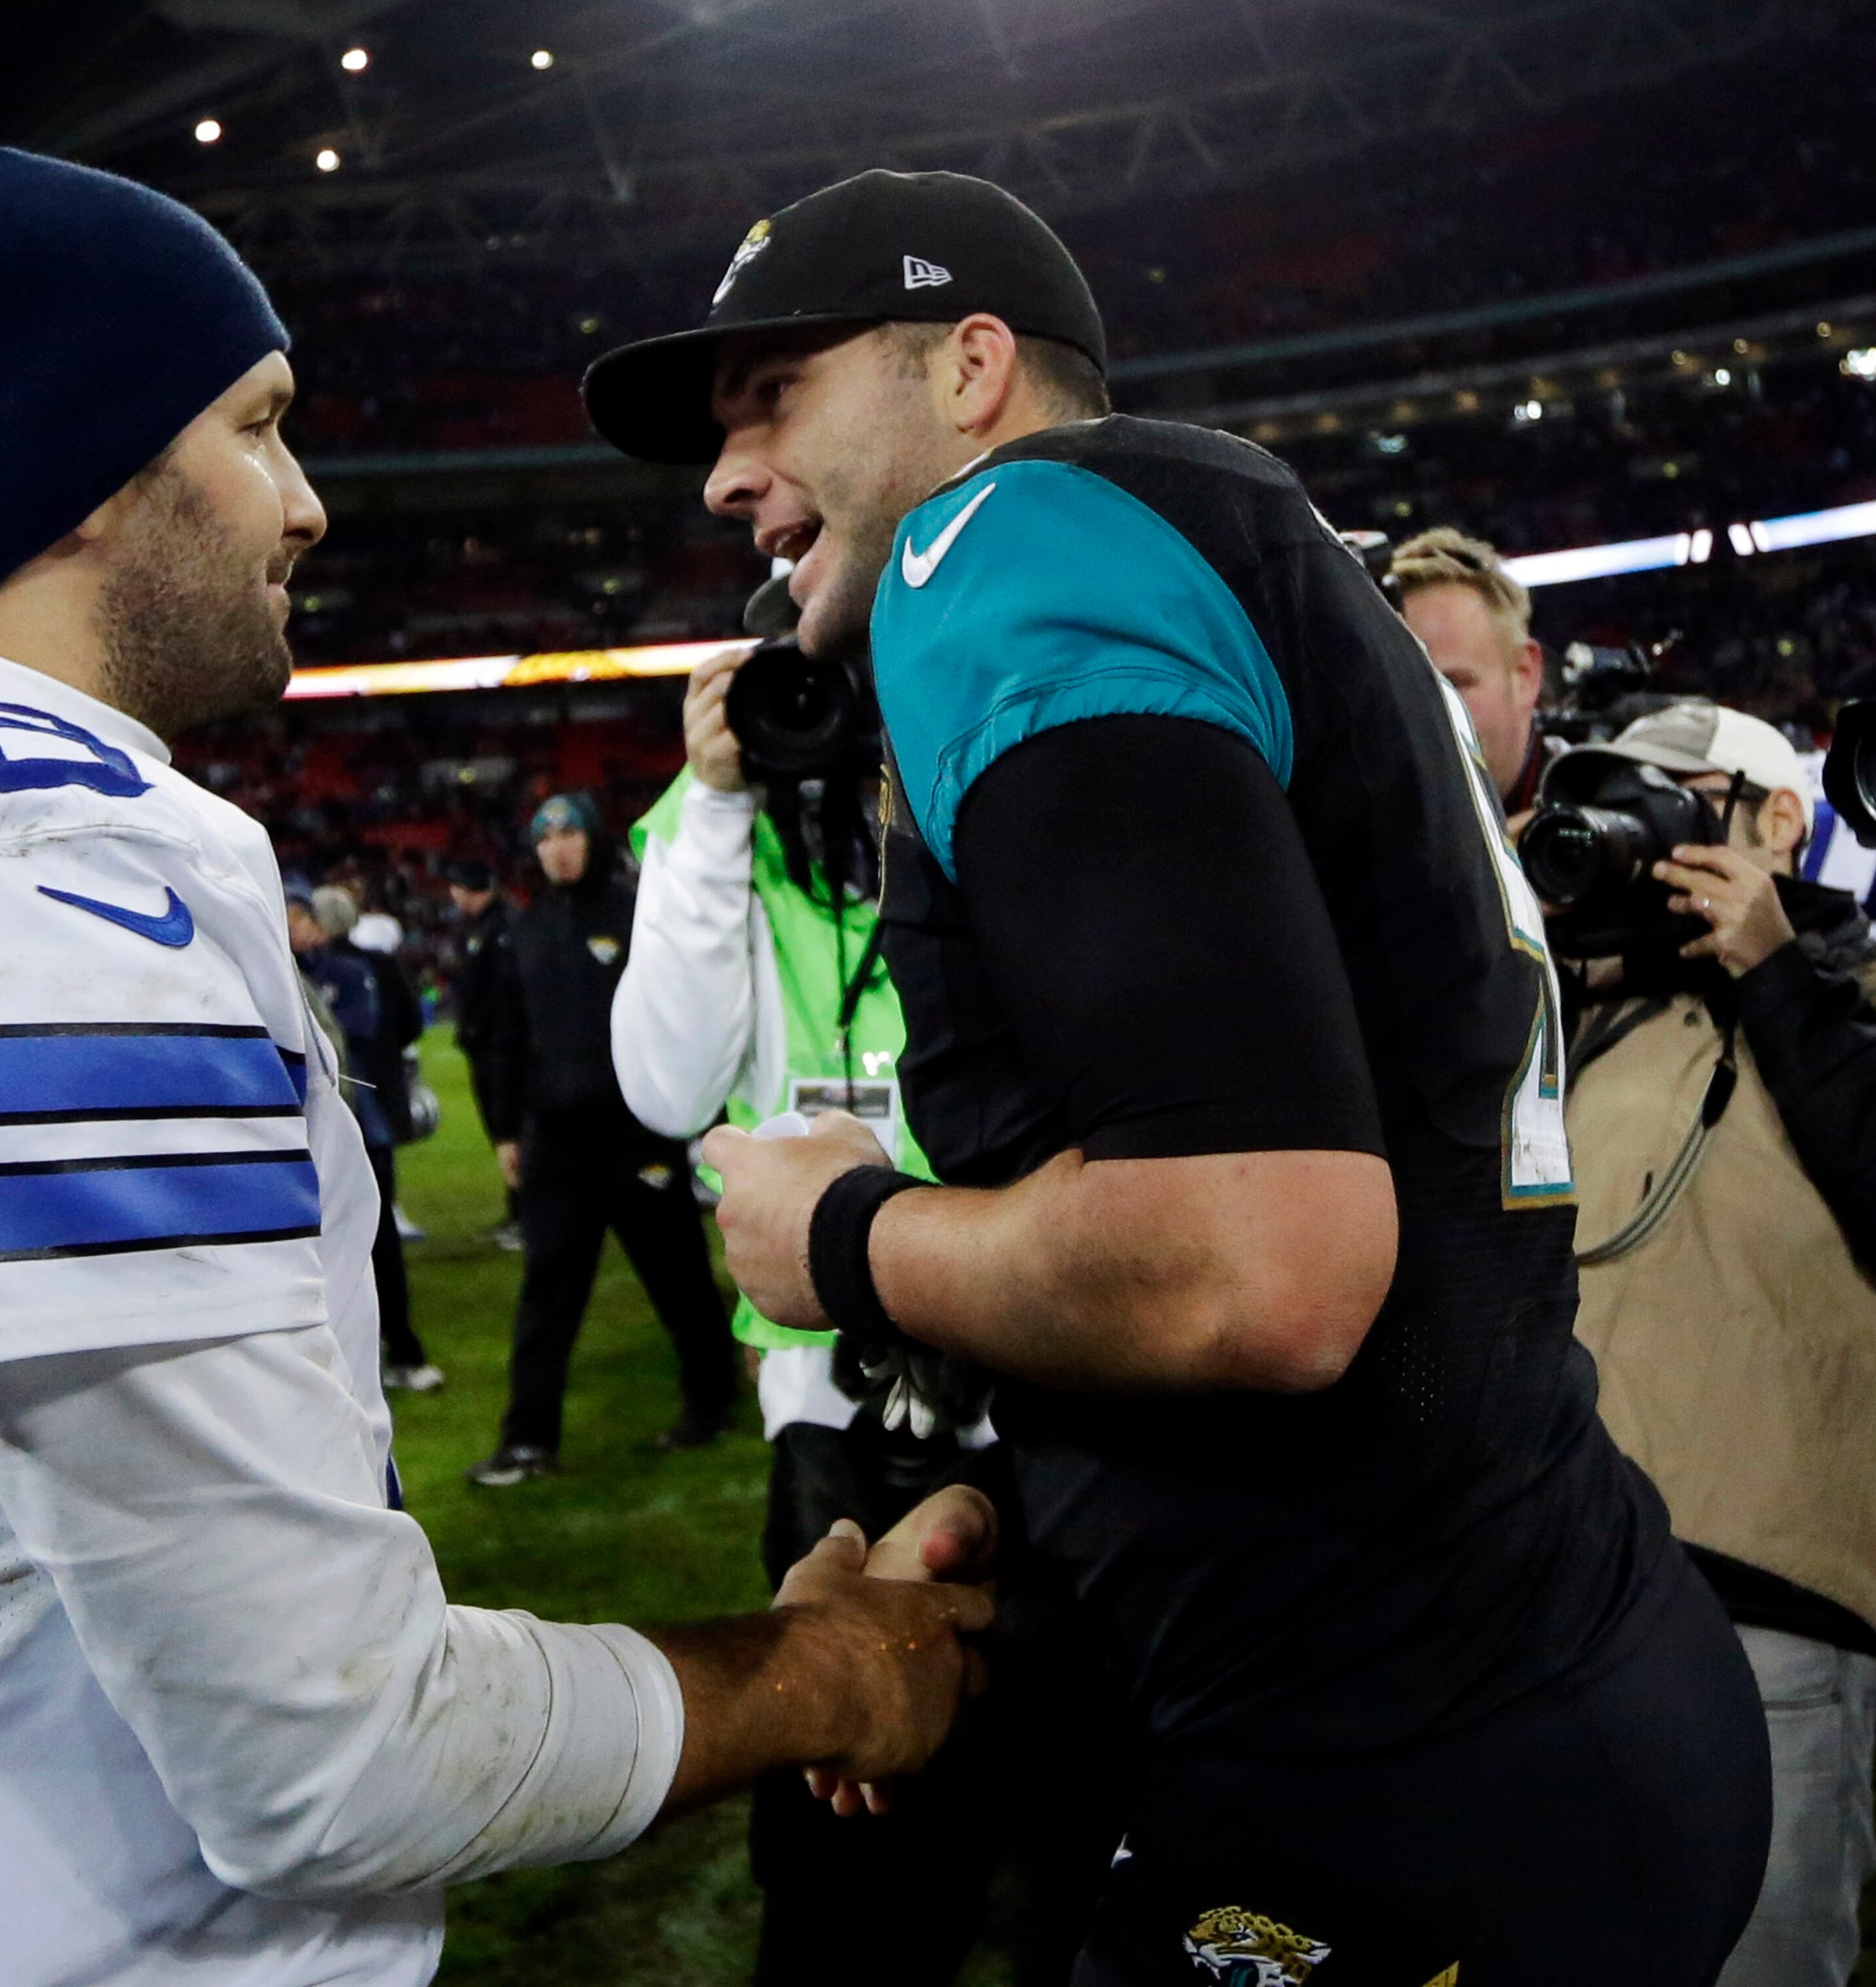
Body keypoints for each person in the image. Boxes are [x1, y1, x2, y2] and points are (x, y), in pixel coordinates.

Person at [0, 147, 992, 1987]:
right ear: (76, 462)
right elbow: (332, 1752)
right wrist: (821, 1675)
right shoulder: (24, 885)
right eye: (257, 426)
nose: (302, 505)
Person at [583, 165, 1770, 1982]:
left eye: (777, 397)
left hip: (1393, 1761)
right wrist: (1050, 1523)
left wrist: (841, 1238)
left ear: (972, 369)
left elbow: (1262, 1269)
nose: (729, 473)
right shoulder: (1235, 533)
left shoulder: (1005, 548)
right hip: (1554, 1646)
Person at [611, 655, 1123, 1985]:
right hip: (834, 1391)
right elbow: (666, 1086)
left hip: (1040, 1346)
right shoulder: (722, 835)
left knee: (1064, 1750)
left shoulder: (994, 796)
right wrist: (720, 800)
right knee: (855, 1742)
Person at [1540, 702, 1876, 1987]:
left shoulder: (1860, 992)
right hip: (1555, 1602)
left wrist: (1777, 969)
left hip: (1771, 1615)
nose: (1636, 832)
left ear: (1778, 818)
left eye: (1673, 799)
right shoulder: (1568, 1021)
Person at [463, 794, 740, 1485]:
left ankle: (711, 1406)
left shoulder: (636, 911)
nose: (558, 847)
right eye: (546, 835)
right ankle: (528, 1440)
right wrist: (504, 1130)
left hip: (638, 1139)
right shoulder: (521, 930)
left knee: (681, 1285)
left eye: (570, 833)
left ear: (593, 838)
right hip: (557, 1147)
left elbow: (686, 1012)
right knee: (545, 1299)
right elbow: (506, 1038)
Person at [297, 881, 442, 1393]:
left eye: (304, 915)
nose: (299, 926)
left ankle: (402, 1347)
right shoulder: (283, 975)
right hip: (310, 1132)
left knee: (377, 1243)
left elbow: (357, 1032)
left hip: (362, 1121)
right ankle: (345, 1359)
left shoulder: (350, 971)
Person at [1392, 526, 1553, 825]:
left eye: (1454, 686)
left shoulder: (1615, 812)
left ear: (1524, 676)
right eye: (1404, 693)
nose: (1430, 717)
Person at [445, 858, 521, 1249]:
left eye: (458, 886)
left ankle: (525, 1216)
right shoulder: (479, 926)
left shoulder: (503, 926)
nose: (453, 894)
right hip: (485, 1044)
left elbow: (504, 994)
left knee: (512, 1130)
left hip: (501, 1047)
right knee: (502, 1132)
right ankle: (519, 1213)